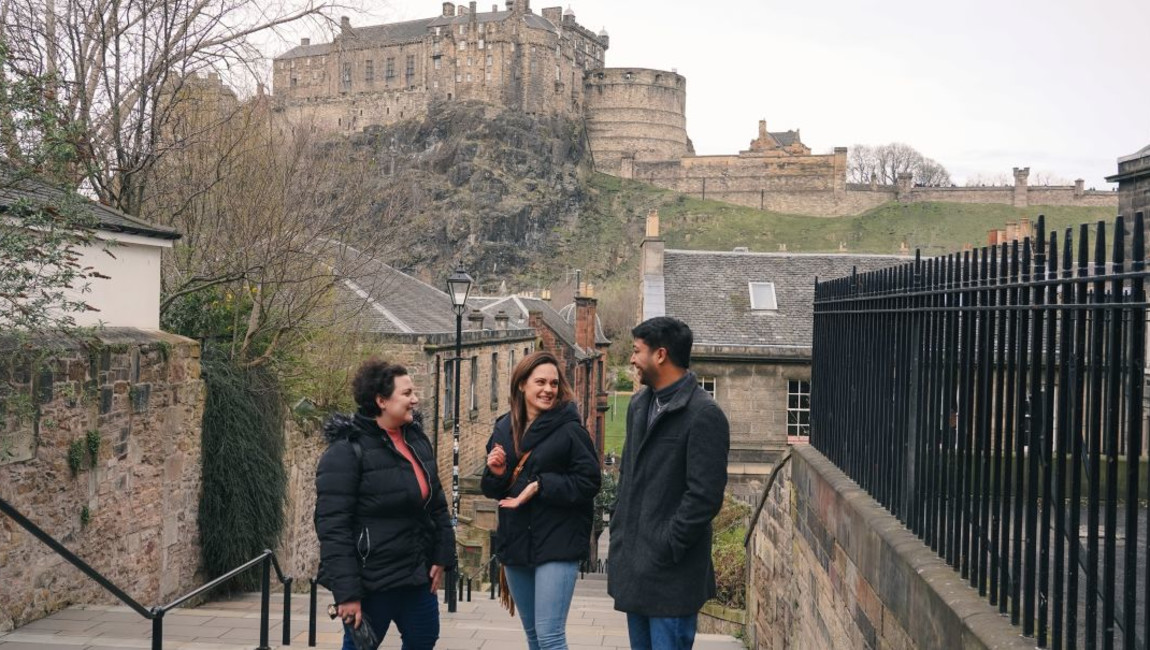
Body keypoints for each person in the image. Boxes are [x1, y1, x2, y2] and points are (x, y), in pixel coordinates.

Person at [607, 317, 730, 650]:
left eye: (636, 351)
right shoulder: (638, 405)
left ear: (660, 355)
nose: (631, 359)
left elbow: (704, 497)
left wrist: (666, 544)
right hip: (635, 570)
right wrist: (621, 531)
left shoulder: (704, 414)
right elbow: (628, 479)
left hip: (671, 575)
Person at [315, 359, 455, 650]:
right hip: (372, 582)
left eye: (413, 392)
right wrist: (347, 594)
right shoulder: (345, 452)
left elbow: (437, 505)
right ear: (381, 401)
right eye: (406, 394)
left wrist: (441, 556)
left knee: (424, 639)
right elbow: (333, 528)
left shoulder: (416, 439)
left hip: (416, 575)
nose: (415, 399)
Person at [482, 351, 602, 650]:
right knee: (534, 636)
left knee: (550, 637)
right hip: (517, 543)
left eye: (553, 383)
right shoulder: (503, 428)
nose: (548, 389)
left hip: (558, 543)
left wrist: (541, 486)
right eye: (540, 382)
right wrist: (496, 472)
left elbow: (589, 482)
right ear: (522, 384)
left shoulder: (571, 430)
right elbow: (494, 490)